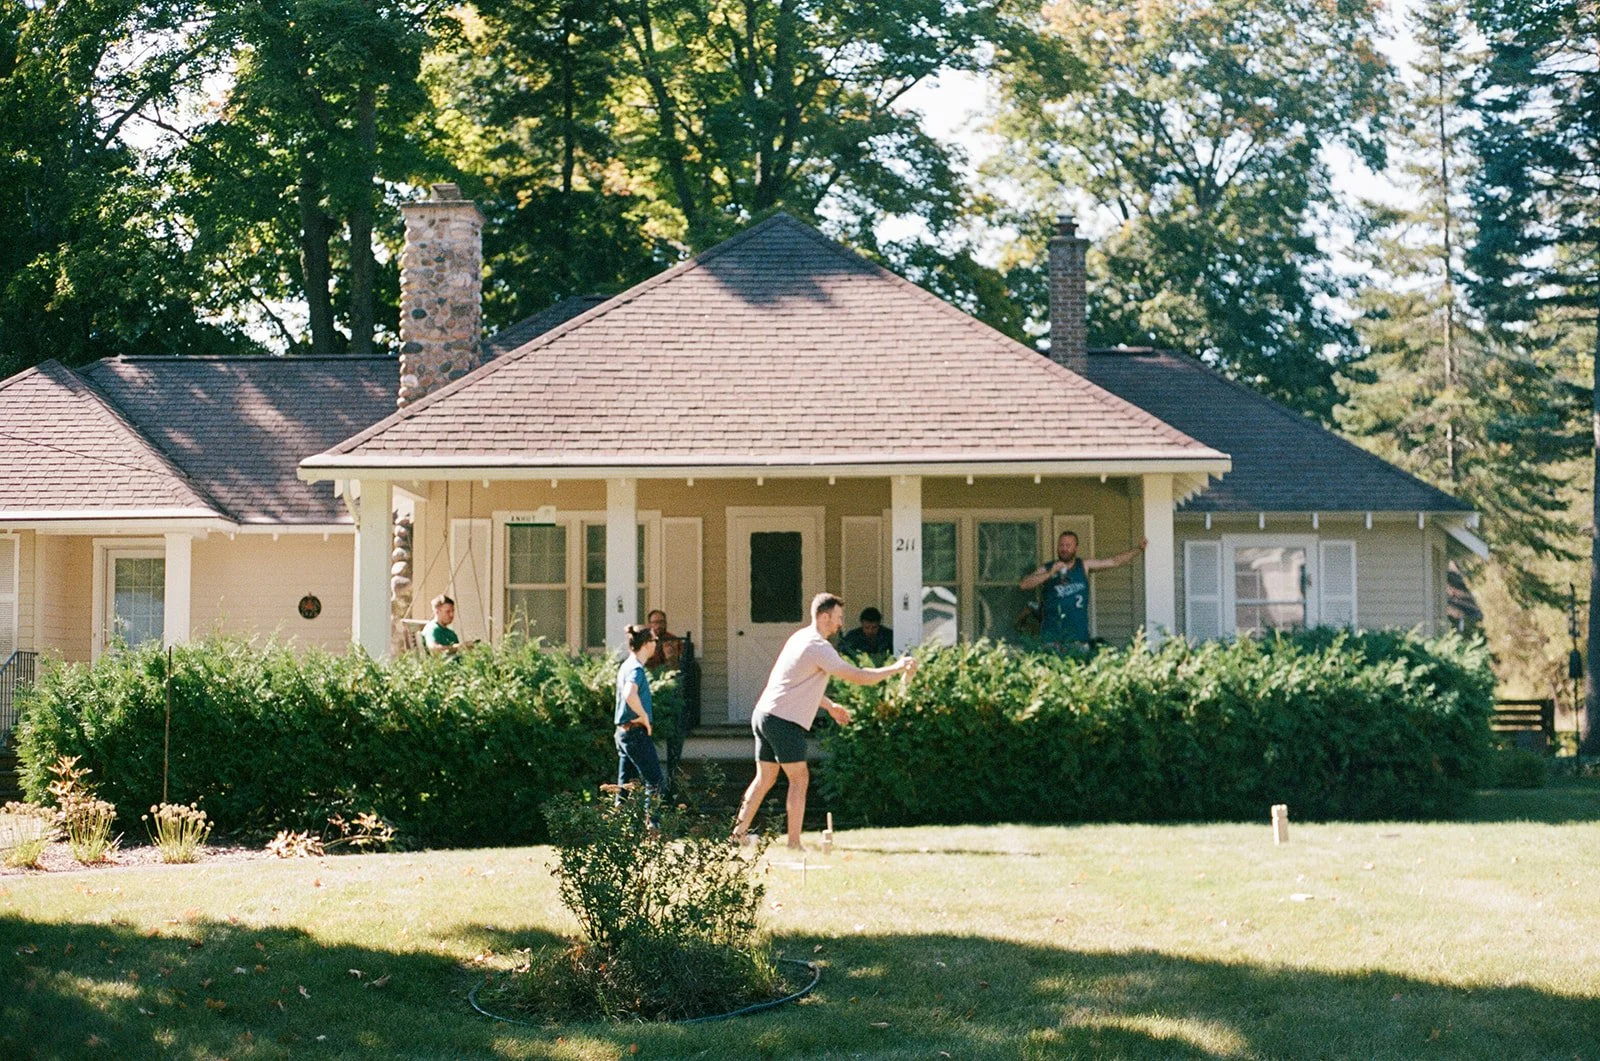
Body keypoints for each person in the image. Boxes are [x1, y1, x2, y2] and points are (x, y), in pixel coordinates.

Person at [731, 593, 916, 851]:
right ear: (824, 616)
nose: (841, 624)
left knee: (765, 779)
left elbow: (795, 683)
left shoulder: (799, 638)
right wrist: (896, 668)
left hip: (764, 715)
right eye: (838, 618)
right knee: (799, 778)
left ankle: (737, 835)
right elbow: (858, 676)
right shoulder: (818, 646)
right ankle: (794, 844)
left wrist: (830, 706)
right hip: (784, 720)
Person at [1019, 532, 1147, 649]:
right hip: (1052, 636)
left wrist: (1138, 549)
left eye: (1068, 545)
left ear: (1076, 548)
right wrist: (1050, 573)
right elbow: (1024, 584)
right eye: (1061, 545)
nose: (1064, 548)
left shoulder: (1083, 565)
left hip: (1078, 637)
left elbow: (1113, 562)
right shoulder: (1048, 568)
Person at [614, 624, 667, 817]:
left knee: (625, 788)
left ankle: (618, 828)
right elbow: (629, 694)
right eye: (654, 640)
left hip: (623, 732)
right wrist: (644, 717)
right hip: (635, 732)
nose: (656, 644)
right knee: (655, 780)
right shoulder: (635, 668)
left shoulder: (626, 665)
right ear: (646, 643)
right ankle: (652, 827)